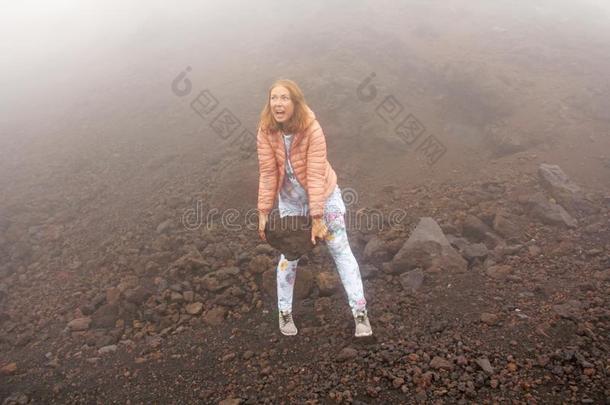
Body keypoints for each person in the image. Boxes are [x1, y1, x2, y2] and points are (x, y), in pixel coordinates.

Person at [256, 79, 372, 337]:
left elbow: (316, 173)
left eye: (284, 98)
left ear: (295, 102)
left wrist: (317, 216)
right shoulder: (266, 130)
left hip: (324, 196)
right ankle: (284, 312)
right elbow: (267, 173)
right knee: (290, 256)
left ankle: (360, 313)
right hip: (291, 202)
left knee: (340, 250)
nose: (278, 103)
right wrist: (264, 211)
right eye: (274, 98)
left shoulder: (311, 129)